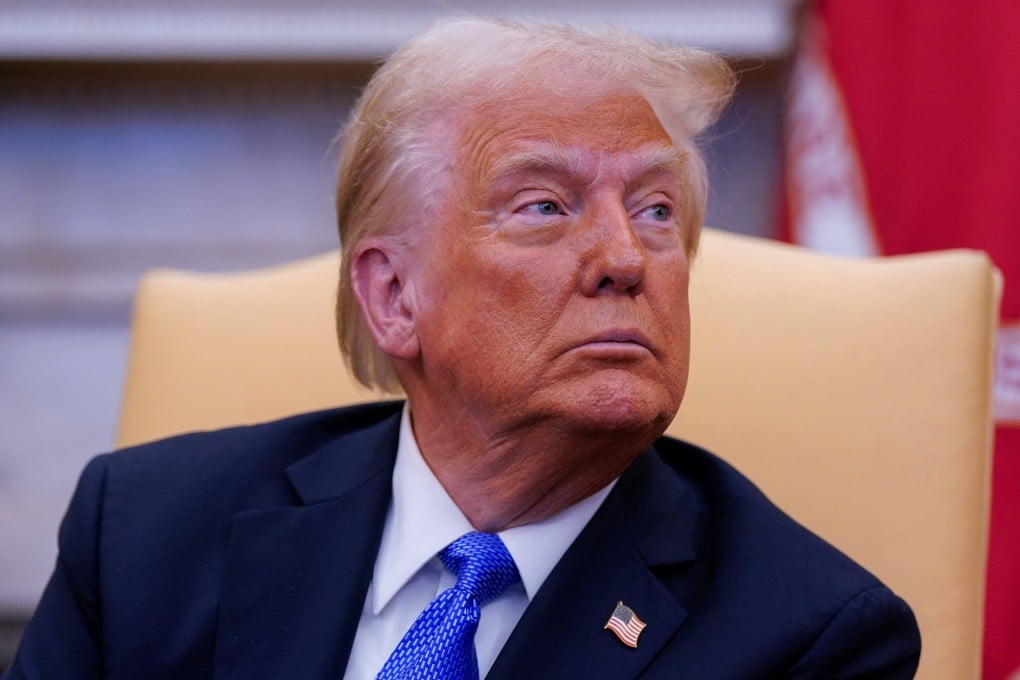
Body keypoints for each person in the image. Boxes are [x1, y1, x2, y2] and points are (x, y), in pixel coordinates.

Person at [5, 17, 921, 679]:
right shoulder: (141, 535)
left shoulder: (811, 638)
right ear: (394, 296)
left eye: (655, 210)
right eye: (545, 205)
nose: (625, 258)